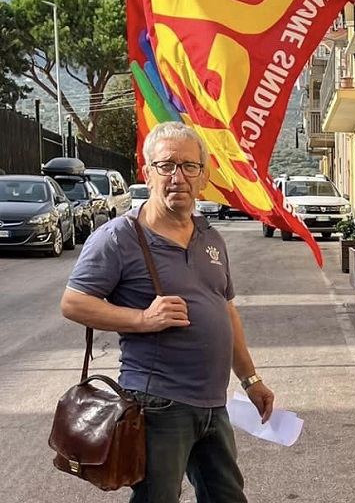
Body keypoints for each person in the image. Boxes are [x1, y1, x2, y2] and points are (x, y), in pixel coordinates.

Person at [60, 121, 274, 503]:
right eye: (166, 165)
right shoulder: (118, 237)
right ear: (147, 172)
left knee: (227, 497)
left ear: (203, 175)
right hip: (158, 404)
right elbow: (74, 303)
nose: (179, 176)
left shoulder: (211, 236)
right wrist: (142, 319)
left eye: (189, 166)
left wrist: (251, 379)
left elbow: (226, 309)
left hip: (213, 404)